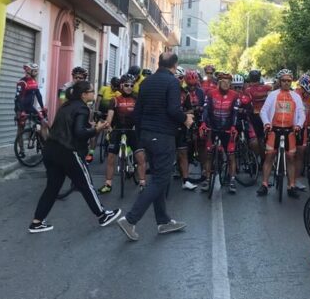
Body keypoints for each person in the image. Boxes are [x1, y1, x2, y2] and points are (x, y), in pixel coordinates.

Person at [117, 52, 193, 241]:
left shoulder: (145, 83)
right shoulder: (173, 82)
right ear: (174, 65)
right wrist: (186, 119)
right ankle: (130, 220)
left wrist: (142, 135)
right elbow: (173, 109)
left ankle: (163, 221)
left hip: (146, 136)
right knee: (161, 179)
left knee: (159, 177)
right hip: (163, 136)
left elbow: (138, 112)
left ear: (159, 63)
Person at [29, 81, 121, 232]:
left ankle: (37, 222)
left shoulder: (66, 106)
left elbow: (71, 127)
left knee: (52, 187)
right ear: (84, 95)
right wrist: (96, 129)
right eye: (91, 91)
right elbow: (79, 132)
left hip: (51, 150)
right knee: (86, 184)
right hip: (68, 151)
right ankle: (102, 215)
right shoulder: (82, 108)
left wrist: (88, 126)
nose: (93, 93)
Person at [257, 69, 305, 198]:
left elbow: (301, 113)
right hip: (274, 130)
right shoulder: (273, 94)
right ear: (279, 81)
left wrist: (299, 125)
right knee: (269, 156)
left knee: (291, 158)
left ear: (291, 81)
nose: (286, 83)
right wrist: (266, 123)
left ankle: (291, 186)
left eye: (289, 81)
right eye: (283, 80)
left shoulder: (296, 96)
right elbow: (263, 111)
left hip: (290, 130)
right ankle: (264, 184)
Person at [97, 76, 146, 194]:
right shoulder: (114, 100)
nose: (129, 87)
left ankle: (142, 183)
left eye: (131, 85)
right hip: (117, 130)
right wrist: (108, 126)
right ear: (121, 86)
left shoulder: (137, 99)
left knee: (140, 157)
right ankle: (108, 184)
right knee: (110, 158)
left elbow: (141, 116)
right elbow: (110, 116)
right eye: (126, 85)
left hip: (132, 130)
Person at [199, 71, 239, 194]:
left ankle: (232, 180)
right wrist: (203, 123)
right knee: (209, 152)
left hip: (227, 128)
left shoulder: (234, 95)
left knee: (231, 154)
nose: (226, 84)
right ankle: (207, 179)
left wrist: (233, 126)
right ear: (219, 83)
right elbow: (206, 109)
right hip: (213, 126)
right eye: (223, 82)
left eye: (228, 82)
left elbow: (235, 113)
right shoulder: (211, 94)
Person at [14, 62, 47, 158]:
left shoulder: (33, 81)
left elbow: (38, 95)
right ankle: (21, 150)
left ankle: (39, 143)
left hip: (30, 107)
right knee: (21, 130)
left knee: (43, 122)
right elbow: (18, 98)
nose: (37, 72)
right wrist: (20, 111)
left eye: (37, 71)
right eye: (35, 71)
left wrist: (43, 107)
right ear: (29, 71)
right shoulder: (22, 82)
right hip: (21, 108)